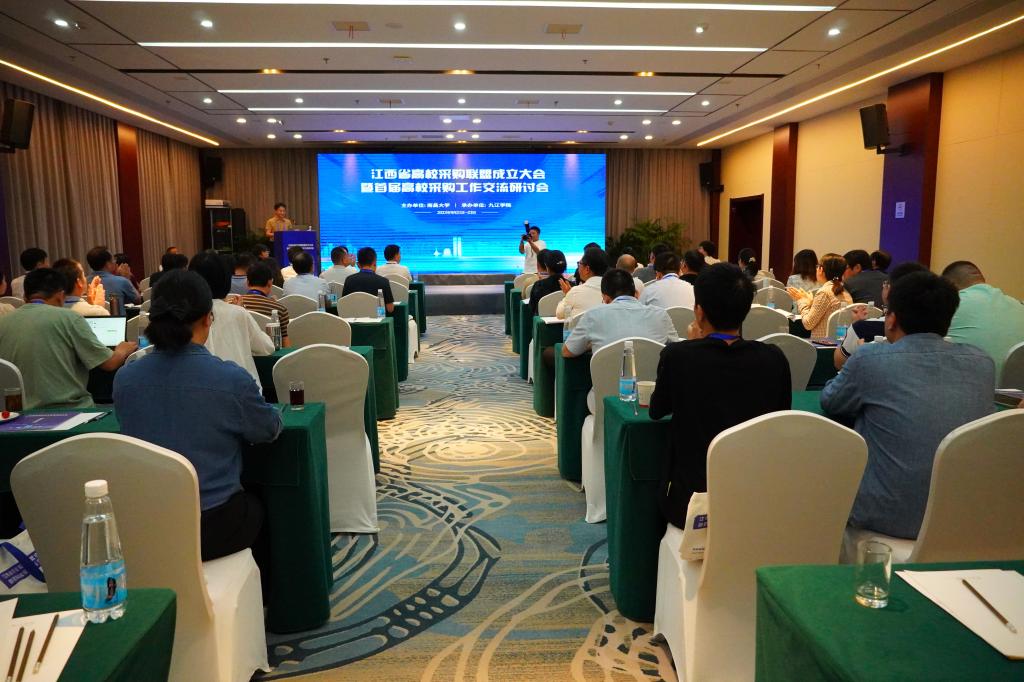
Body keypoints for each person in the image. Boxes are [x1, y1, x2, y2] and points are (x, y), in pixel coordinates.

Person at [114, 269, 282, 562]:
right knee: (262, 504)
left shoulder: (125, 378)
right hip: (213, 525)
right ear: (208, 319)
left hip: (145, 523)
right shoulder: (230, 379)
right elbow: (268, 429)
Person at [821, 271, 994, 539]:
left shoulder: (870, 358)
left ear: (891, 319)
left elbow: (831, 400)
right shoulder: (982, 364)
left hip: (884, 518)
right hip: (963, 519)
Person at [649, 263, 792, 528]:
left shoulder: (679, 357)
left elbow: (657, 410)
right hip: (755, 496)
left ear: (699, 312)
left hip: (692, 502)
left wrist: (693, 345)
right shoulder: (774, 358)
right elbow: (780, 418)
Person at [0, 269, 136, 409]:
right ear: (60, 295)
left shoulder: (3, 322)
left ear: (25, 296)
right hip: (71, 411)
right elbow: (109, 364)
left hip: (18, 415)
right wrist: (122, 349)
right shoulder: (69, 318)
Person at [189, 251, 274, 389]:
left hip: (200, 393)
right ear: (226, 280)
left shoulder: (185, 316)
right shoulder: (238, 313)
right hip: (244, 393)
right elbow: (266, 347)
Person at [833, 261, 929, 370]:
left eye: (885, 284)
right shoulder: (934, 334)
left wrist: (854, 327)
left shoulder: (862, 329)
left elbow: (839, 363)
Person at [562, 268, 678, 358]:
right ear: (636, 293)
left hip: (605, 382)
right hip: (653, 382)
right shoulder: (661, 315)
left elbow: (567, 351)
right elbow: (676, 348)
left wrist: (591, 344)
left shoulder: (592, 315)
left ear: (605, 298)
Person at [941, 260, 1024, 379]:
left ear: (949, 285)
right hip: (1017, 389)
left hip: (972, 387)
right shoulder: (1018, 305)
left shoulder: (949, 304)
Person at [788, 253, 853, 337]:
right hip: (839, 341)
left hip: (822, 342)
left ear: (821, 270)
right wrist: (810, 302)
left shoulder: (824, 292)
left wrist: (801, 301)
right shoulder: (845, 292)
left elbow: (808, 324)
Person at [240, 263, 291, 346]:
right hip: (271, 352)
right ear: (270, 283)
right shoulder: (280, 309)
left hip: (241, 351)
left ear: (247, 283)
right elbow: (286, 344)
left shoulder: (232, 304)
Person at [556, 247, 608, 323]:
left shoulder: (575, 292)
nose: (578, 267)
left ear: (587, 269)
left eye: (579, 263)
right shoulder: (613, 291)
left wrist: (567, 294)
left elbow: (559, 313)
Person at [342, 247, 395, 313]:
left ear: (358, 264)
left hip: (354, 318)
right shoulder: (383, 281)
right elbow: (390, 309)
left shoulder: (349, 280)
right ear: (375, 263)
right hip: (377, 318)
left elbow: (344, 304)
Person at [528, 250, 569, 320]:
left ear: (547, 267)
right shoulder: (572, 286)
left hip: (542, 325)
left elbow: (532, 310)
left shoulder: (538, 286)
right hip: (566, 325)